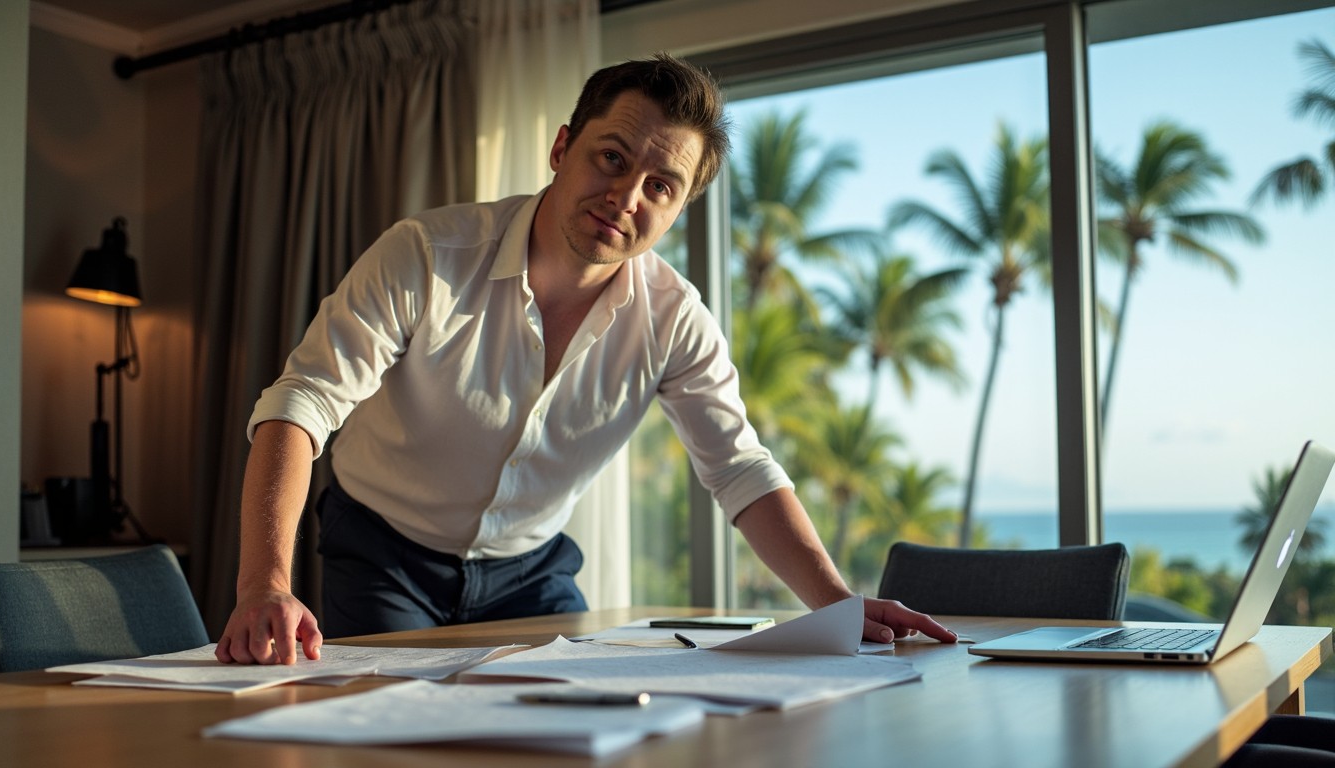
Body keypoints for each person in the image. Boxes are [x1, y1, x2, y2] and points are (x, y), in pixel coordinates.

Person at [216, 52, 956, 666]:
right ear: (563, 147)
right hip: (384, 550)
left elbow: (739, 469)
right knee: (387, 725)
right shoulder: (425, 255)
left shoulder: (674, 319)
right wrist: (264, 585)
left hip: (531, 569)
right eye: (611, 157)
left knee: (584, 721)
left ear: (676, 211)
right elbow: (301, 404)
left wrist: (838, 604)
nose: (624, 196)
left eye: (659, 187)